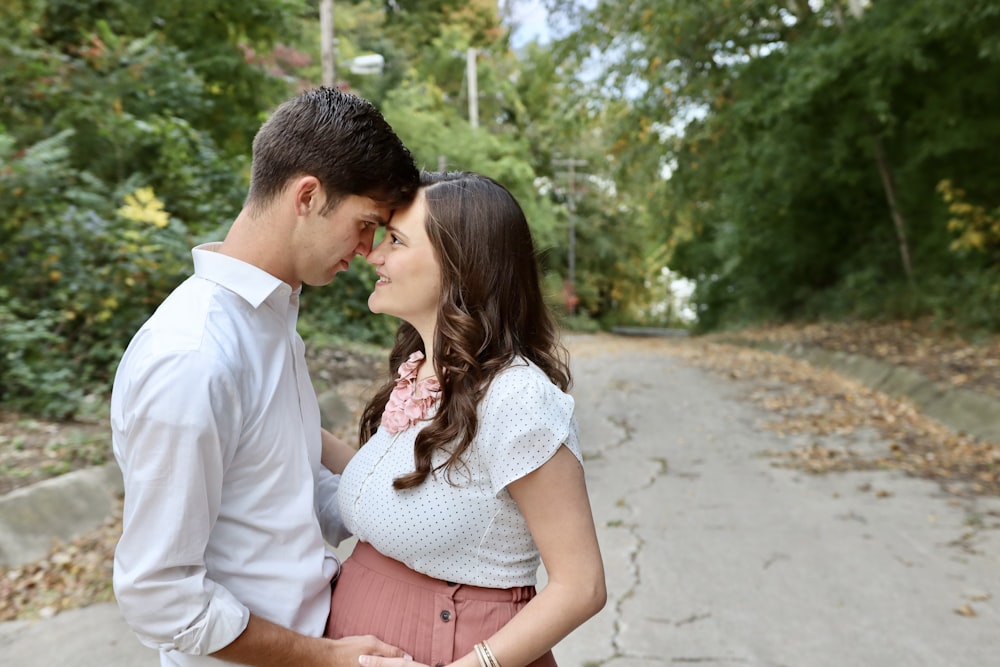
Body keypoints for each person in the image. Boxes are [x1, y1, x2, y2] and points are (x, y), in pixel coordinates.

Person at [109, 87, 420, 667]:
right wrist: (325, 657)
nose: (368, 250)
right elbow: (159, 597)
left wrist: (427, 502)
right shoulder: (195, 355)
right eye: (365, 223)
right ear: (308, 195)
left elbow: (295, 499)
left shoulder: (270, 324)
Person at [323, 171, 607, 667]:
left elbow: (581, 586)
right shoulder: (421, 373)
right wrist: (279, 421)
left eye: (395, 239)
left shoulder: (515, 397)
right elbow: (398, 490)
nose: (373, 254)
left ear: (459, 266)